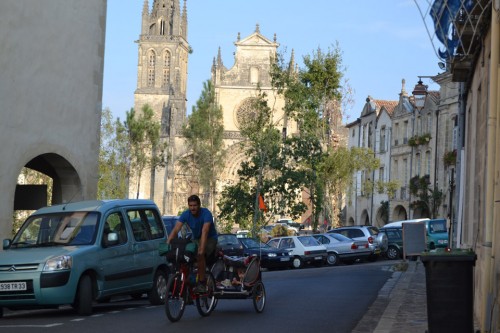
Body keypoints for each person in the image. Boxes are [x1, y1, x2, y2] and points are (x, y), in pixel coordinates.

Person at [166, 194, 218, 293]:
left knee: (200, 255)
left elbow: (205, 231)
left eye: (195, 205)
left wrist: (201, 249)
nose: (192, 208)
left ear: (199, 205)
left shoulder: (206, 213)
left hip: (210, 238)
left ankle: (202, 283)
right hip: (197, 238)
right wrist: (167, 243)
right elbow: (176, 229)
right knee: (184, 254)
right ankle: (189, 282)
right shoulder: (186, 214)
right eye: (190, 206)